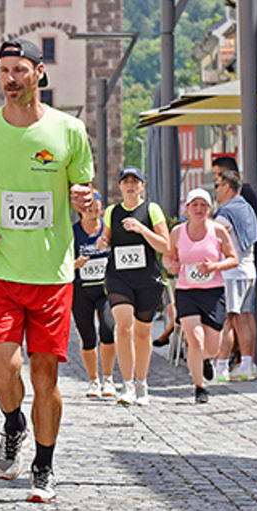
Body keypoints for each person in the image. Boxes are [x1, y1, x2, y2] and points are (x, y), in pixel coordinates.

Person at [0, 38, 94, 504]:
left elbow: (84, 191)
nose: (11, 79)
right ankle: (13, 422)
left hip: (52, 274)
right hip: (0, 270)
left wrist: (86, 201)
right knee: (3, 367)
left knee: (45, 378)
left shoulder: (69, 130)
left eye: (19, 70)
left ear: (39, 72)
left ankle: (44, 466)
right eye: (4, 71)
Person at [97, 167, 170, 406]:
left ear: (142, 186)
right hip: (119, 277)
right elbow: (106, 238)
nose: (130, 185)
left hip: (146, 278)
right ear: (119, 186)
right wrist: (103, 241)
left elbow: (164, 246)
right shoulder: (112, 212)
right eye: (125, 181)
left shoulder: (151, 209)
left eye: (135, 181)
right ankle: (126, 384)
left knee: (142, 332)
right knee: (124, 325)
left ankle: (142, 383)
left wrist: (142, 229)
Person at [165, 188, 238, 404]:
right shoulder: (178, 232)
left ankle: (206, 359)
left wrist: (215, 265)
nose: (199, 209)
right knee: (194, 339)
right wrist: (172, 266)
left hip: (213, 293)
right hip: (187, 291)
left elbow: (233, 258)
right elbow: (168, 258)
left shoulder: (218, 231)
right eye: (194, 205)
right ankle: (199, 387)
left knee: (213, 346)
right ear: (186, 209)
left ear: (209, 208)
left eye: (203, 205)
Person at [211, 167, 257, 382]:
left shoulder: (226, 213)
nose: (216, 191)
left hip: (230, 271)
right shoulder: (248, 208)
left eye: (218, 186)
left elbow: (214, 240)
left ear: (227, 187)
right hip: (249, 269)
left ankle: (221, 366)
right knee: (246, 317)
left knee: (227, 320)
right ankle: (247, 365)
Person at [71, 195, 115, 398]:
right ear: (81, 211)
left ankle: (108, 379)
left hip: (104, 289)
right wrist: (75, 265)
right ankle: (93, 381)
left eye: (96, 210)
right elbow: (62, 264)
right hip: (81, 290)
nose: (93, 214)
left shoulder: (107, 230)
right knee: (87, 336)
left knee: (108, 328)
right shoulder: (73, 232)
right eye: (89, 210)